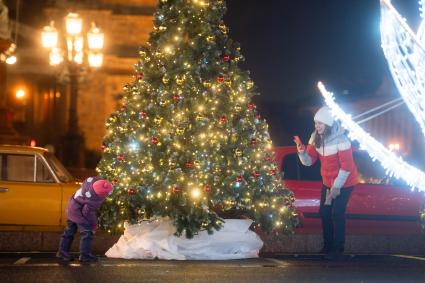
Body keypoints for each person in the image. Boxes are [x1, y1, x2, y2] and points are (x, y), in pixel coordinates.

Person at [294, 106, 358, 260]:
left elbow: (347, 167)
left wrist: (336, 187)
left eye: (320, 123)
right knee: (325, 213)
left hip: (345, 182)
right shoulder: (315, 137)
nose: (317, 126)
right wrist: (302, 152)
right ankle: (327, 246)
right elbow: (309, 162)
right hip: (328, 182)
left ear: (328, 124)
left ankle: (338, 249)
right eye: (316, 123)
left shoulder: (341, 140)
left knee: (337, 213)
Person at [56, 177, 113, 262]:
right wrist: (93, 225)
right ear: (101, 195)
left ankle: (62, 252)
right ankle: (85, 255)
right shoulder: (93, 200)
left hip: (71, 208)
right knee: (87, 233)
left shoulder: (91, 182)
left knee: (69, 231)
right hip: (79, 214)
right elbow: (87, 213)